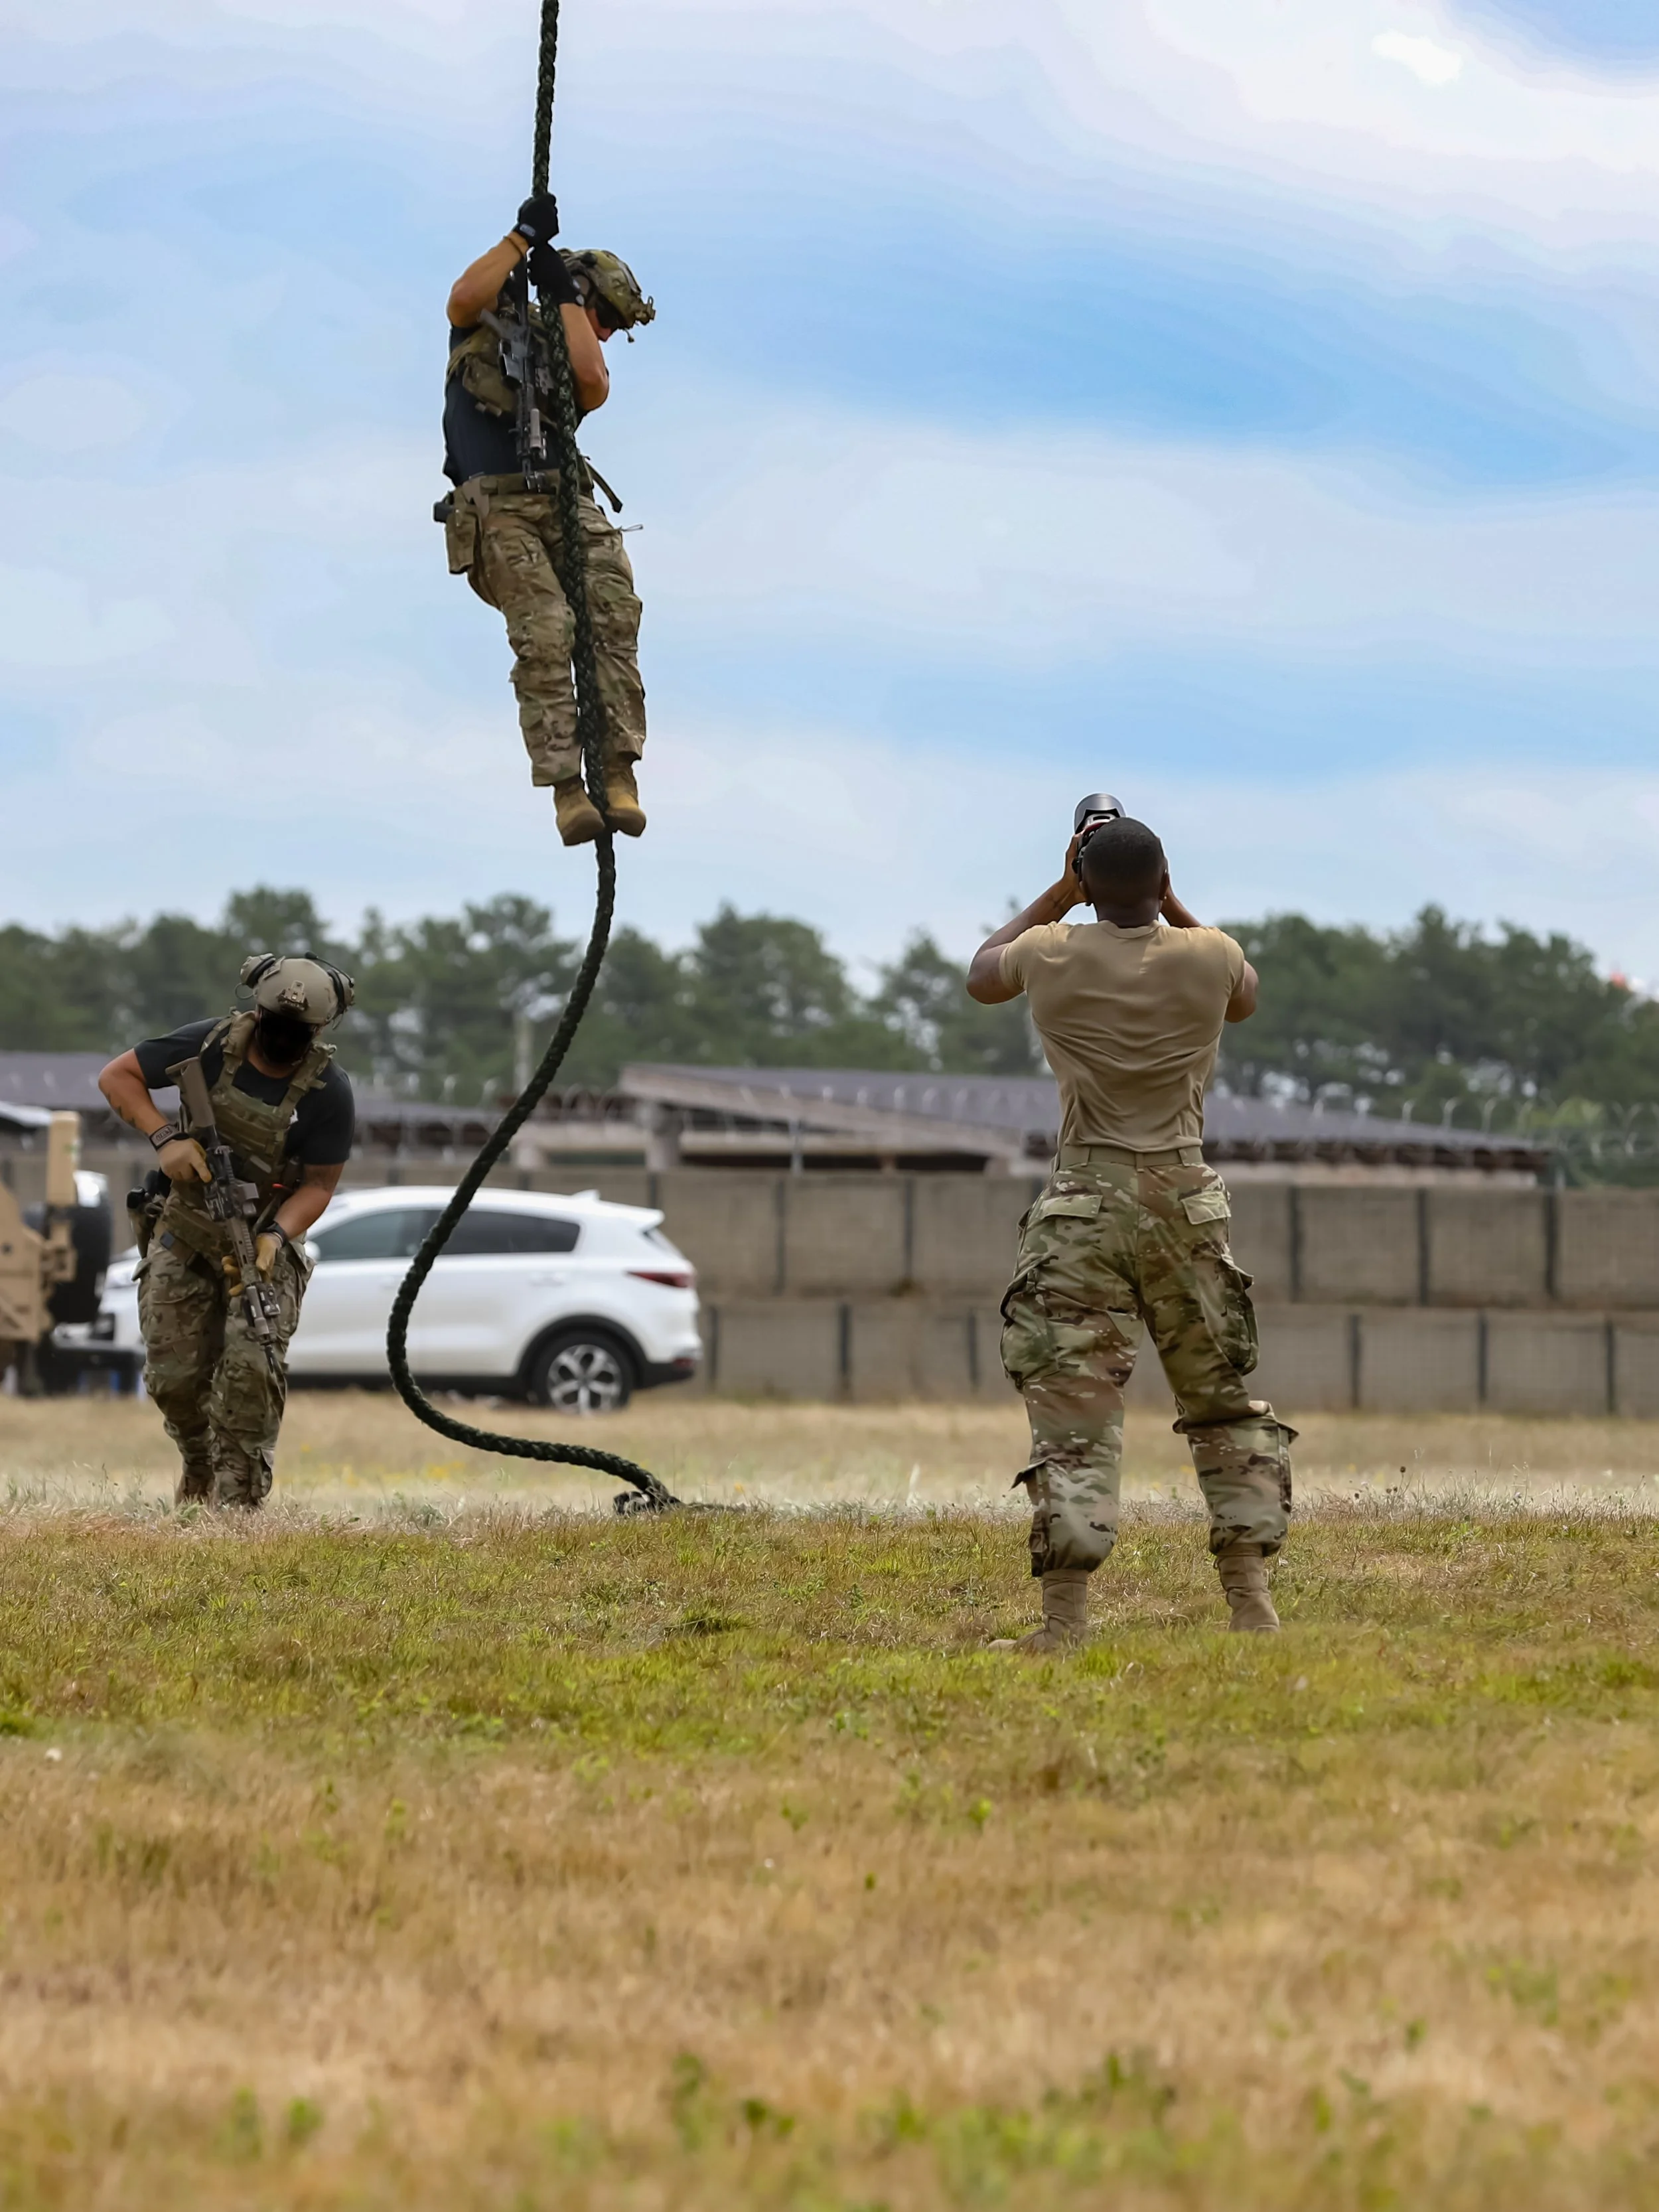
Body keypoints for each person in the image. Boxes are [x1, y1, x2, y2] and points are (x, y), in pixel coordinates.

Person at [966, 816, 1293, 1648]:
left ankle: (1064, 1627)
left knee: (1074, 1418)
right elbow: (1247, 992)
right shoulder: (1211, 956)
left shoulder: (1049, 952)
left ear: (1083, 875)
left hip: (1084, 1203)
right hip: (1186, 1200)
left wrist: (1060, 892)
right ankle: (1252, 1608)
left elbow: (980, 976)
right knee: (1221, 1404)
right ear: (1162, 878)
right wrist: (1169, 900)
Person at [98, 956, 356, 1509]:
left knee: (252, 1372)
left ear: (318, 1032)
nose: (284, 1038)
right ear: (256, 1012)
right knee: (174, 1381)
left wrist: (276, 1238)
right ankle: (198, 1462)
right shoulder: (211, 1045)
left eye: (299, 1032)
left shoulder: (328, 1091)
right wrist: (166, 1137)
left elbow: (319, 1185)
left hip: (262, 1241)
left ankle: (238, 1509)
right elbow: (116, 1077)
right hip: (185, 1235)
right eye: (274, 1024)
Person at [441, 191, 656, 848]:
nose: (608, 333)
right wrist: (520, 240)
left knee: (610, 614)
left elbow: (589, 380)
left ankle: (616, 774)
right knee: (546, 629)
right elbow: (461, 298)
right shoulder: (490, 320)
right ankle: (568, 789)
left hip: (564, 500)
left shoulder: (574, 352)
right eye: (605, 317)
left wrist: (564, 295)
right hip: (497, 508)